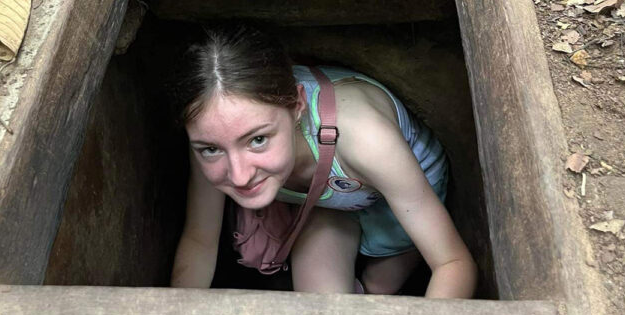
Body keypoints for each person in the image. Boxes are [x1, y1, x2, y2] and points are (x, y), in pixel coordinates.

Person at [169, 25, 477, 297]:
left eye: (258, 139)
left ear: (298, 105)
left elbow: (453, 263)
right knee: (322, 310)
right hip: (330, 203)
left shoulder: (367, 139)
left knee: (381, 285)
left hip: (407, 194)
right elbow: (200, 241)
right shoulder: (216, 132)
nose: (238, 176)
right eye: (210, 149)